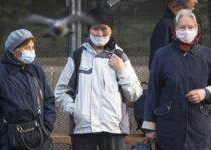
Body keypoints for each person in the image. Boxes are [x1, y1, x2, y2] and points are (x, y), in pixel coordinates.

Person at [54, 4, 143, 150]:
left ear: (111, 30)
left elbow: (134, 94)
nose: (99, 33)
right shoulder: (78, 56)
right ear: (89, 29)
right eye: (95, 28)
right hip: (83, 129)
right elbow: (61, 91)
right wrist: (75, 110)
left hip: (113, 129)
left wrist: (122, 71)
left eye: (104, 29)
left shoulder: (120, 56)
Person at [142, 9, 211, 150]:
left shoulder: (207, 55)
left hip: (199, 127)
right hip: (169, 127)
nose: (187, 31)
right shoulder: (161, 55)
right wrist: (150, 127)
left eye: (191, 27)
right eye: (182, 27)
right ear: (174, 30)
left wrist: (205, 92)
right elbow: (153, 91)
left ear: (197, 28)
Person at [0, 29, 56, 150]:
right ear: (13, 50)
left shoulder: (37, 71)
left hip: (39, 139)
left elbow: (48, 100)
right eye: (27, 48)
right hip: (9, 141)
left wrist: (47, 126)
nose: (31, 51)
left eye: (33, 47)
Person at [149, 0, 199, 69]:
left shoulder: (196, 23)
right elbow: (156, 63)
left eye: (190, 27)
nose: (196, 1)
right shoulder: (164, 26)